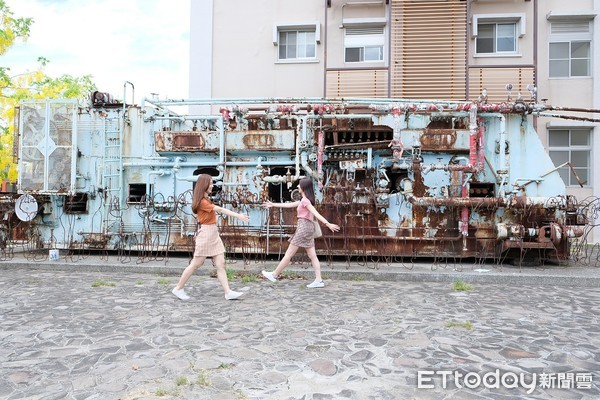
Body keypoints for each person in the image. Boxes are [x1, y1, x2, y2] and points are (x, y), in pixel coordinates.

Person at [172, 174, 250, 301]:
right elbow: (219, 209)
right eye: (211, 183)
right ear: (204, 185)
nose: (213, 185)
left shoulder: (205, 199)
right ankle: (178, 288)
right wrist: (238, 216)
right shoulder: (202, 202)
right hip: (207, 234)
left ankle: (228, 292)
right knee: (196, 264)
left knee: (220, 263)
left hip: (213, 233)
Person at [261, 177, 340, 288]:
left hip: (303, 228)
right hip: (307, 228)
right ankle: (319, 280)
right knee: (312, 255)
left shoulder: (305, 201)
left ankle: (274, 274)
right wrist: (273, 205)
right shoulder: (304, 201)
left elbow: (316, 213)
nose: (297, 186)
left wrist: (328, 224)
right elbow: (289, 205)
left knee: (289, 254)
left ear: (303, 188)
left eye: (299, 185)